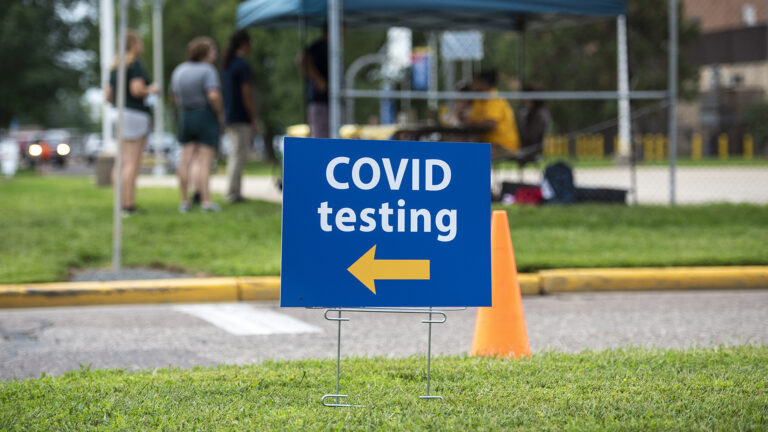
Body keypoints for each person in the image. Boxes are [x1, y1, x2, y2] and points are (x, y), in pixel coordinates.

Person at [106, 30, 159, 216]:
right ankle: (128, 204)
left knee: (120, 161)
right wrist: (151, 89)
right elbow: (137, 90)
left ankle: (119, 204)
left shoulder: (114, 67)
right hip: (135, 114)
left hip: (118, 114)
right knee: (132, 162)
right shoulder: (134, 65)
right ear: (134, 44)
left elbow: (108, 96)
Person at [170, 37, 223, 213]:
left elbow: (174, 97)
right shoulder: (208, 70)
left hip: (185, 115)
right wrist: (219, 112)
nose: (215, 54)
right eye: (213, 51)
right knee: (204, 160)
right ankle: (206, 201)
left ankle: (184, 201)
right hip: (204, 115)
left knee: (185, 159)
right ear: (204, 53)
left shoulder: (179, 70)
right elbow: (213, 95)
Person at [221, 30, 257, 203]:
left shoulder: (228, 65)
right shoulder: (242, 65)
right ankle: (232, 193)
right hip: (240, 116)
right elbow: (246, 93)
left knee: (235, 153)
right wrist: (253, 116)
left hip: (230, 115)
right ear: (244, 44)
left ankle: (234, 191)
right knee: (238, 154)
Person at [460, 70, 521, 159]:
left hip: (503, 146)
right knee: (458, 148)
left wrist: (470, 123)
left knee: (467, 154)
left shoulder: (495, 99)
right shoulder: (479, 100)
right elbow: (468, 119)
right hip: (486, 144)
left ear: (484, 83)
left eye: (475, 82)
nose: (472, 85)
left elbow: (490, 124)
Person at [297, 25, 329, 138]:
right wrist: (318, 79)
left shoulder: (332, 47)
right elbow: (302, 59)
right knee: (319, 135)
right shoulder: (319, 47)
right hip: (319, 99)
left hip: (328, 101)